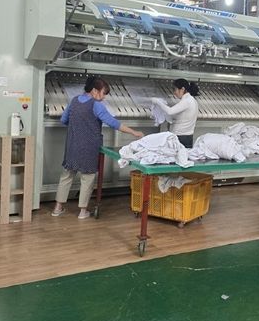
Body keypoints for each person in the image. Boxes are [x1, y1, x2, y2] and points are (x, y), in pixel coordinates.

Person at [53, 76, 143, 219]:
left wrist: (78, 126)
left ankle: (58, 208)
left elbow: (64, 120)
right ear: (95, 91)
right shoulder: (96, 105)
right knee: (87, 177)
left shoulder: (74, 101)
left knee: (67, 175)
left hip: (72, 145)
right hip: (89, 147)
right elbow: (113, 123)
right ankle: (82, 211)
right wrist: (134, 132)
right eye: (103, 93)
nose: (104, 97)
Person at [151, 79, 199, 148]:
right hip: (187, 137)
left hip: (180, 138)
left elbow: (170, 111)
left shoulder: (187, 101)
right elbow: (181, 116)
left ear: (182, 89)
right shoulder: (192, 100)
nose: (174, 92)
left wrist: (157, 102)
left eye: (175, 89)